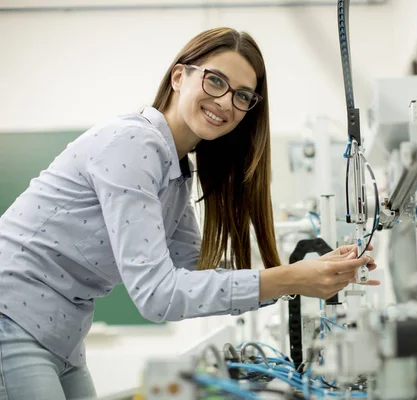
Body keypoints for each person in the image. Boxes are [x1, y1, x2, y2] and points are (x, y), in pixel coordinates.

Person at [0, 27, 379, 399]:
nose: (226, 102)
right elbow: (158, 296)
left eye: (243, 95)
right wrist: (290, 280)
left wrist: (308, 275)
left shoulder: (176, 170)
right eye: (216, 81)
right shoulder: (134, 144)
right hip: (13, 317)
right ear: (179, 76)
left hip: (62, 334)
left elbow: (194, 274)